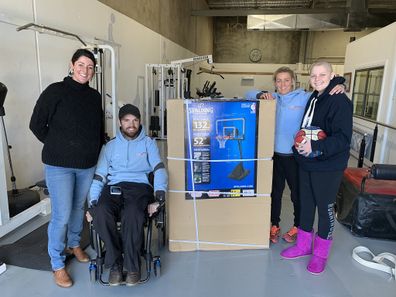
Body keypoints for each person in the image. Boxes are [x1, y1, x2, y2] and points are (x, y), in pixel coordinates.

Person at [29, 49, 103, 287]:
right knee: (60, 215)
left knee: (77, 209)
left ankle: (74, 245)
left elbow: (97, 128)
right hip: (59, 165)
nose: (85, 70)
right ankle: (57, 264)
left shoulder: (94, 96)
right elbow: (36, 124)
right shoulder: (55, 91)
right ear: (72, 65)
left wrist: (94, 149)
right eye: (81, 65)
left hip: (86, 165)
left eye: (90, 67)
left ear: (93, 71)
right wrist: (56, 145)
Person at [256, 67, 344, 244]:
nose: (282, 84)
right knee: (274, 193)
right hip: (274, 156)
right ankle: (274, 225)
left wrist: (341, 84)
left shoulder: (305, 97)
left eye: (286, 80)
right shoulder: (272, 98)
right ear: (274, 83)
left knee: (298, 195)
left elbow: (323, 91)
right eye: (279, 80)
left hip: (294, 157)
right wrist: (261, 94)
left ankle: (297, 226)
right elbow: (248, 92)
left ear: (293, 81)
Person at [280, 61, 353, 275]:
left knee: (324, 209)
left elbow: (342, 139)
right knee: (305, 204)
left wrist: (315, 145)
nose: (317, 79)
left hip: (329, 165)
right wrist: (304, 148)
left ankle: (320, 254)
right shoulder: (315, 96)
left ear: (332, 76)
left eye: (322, 75)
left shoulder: (340, 101)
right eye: (313, 75)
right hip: (307, 161)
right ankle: (303, 246)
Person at [87, 104, 168, 286]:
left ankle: (132, 267)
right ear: (120, 123)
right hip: (114, 186)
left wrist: (159, 196)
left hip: (139, 187)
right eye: (126, 121)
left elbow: (159, 169)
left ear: (139, 122)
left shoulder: (149, 143)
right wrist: (92, 202)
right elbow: (100, 175)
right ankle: (116, 263)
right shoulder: (110, 146)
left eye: (135, 120)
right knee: (100, 212)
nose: (131, 124)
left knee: (132, 213)